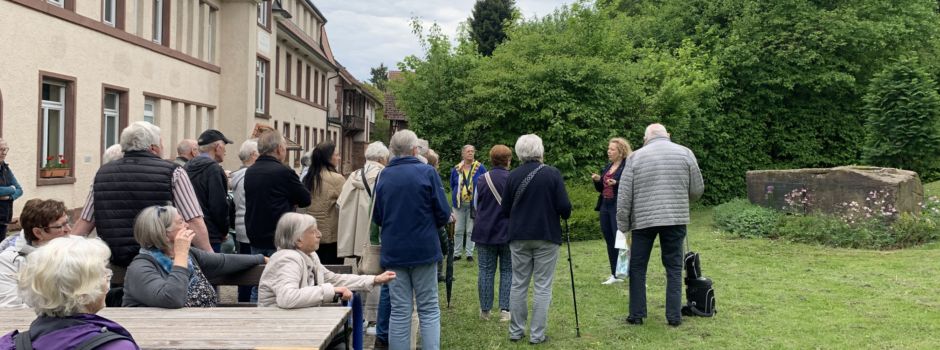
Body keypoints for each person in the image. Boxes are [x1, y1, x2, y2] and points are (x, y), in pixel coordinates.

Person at [72, 121, 213, 267]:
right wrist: (210, 255)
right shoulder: (173, 172)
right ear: (153, 148)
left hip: (115, 261)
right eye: (161, 144)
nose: (163, 148)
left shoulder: (102, 173)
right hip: (160, 263)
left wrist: (65, 249)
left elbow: (87, 220)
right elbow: (193, 220)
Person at [617, 123, 704, 327]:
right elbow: (697, 189)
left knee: (638, 267)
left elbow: (624, 195)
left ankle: (636, 314)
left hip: (643, 221)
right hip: (675, 217)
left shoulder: (635, 157)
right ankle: (674, 317)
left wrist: (622, 224)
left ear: (646, 138)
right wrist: (683, 199)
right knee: (674, 267)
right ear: (668, 135)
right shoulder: (686, 153)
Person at [372, 130, 450, 350]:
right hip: (424, 248)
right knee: (428, 308)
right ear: (415, 150)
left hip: (394, 251)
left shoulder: (384, 175)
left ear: (393, 151)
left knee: (399, 310)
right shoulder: (427, 173)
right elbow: (443, 213)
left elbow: (377, 216)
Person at [0, 235, 139, 349]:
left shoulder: (10, 345)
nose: (107, 282)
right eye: (104, 274)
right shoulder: (116, 346)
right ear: (83, 291)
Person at [500, 134, 571, 345]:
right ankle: (537, 335)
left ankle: (516, 331)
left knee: (518, 284)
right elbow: (565, 208)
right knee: (542, 286)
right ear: (540, 150)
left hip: (519, 235)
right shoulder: (552, 174)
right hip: (546, 236)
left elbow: (504, 210)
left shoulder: (512, 176)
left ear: (519, 152)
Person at [122, 205, 266, 308]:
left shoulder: (190, 255)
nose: (187, 226)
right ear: (164, 234)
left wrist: (261, 258)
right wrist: (181, 254)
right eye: (180, 222)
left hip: (200, 329)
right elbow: (173, 298)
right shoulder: (141, 267)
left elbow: (222, 261)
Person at [258, 212, 395, 308]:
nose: (319, 234)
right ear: (298, 239)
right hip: (278, 326)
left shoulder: (309, 255)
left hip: (295, 322)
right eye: (313, 231)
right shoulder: (287, 260)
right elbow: (287, 298)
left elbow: (334, 279)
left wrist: (374, 279)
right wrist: (332, 291)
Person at [0, 199, 76, 308]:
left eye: (67, 223)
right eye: (60, 226)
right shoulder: (8, 261)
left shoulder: (75, 248)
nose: (68, 230)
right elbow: (9, 307)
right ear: (38, 232)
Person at [470, 145, 513, 322]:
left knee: (486, 271)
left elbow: (475, 205)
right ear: (508, 160)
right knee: (508, 270)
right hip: (508, 231)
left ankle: (485, 311)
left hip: (484, 231)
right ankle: (505, 310)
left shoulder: (481, 179)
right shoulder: (512, 179)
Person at [337, 141, 388, 260]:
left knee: (362, 271)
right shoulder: (383, 175)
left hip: (354, 237)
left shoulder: (354, 175)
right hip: (374, 235)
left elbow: (339, 203)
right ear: (381, 159)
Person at [185, 129, 234, 253]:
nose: (226, 151)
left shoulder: (186, 167)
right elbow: (219, 206)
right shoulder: (213, 169)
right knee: (211, 270)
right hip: (210, 235)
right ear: (217, 147)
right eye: (224, 146)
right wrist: (223, 231)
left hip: (188, 233)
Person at [591, 137, 632, 285]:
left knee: (621, 240)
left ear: (620, 151)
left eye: (612, 149)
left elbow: (629, 186)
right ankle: (615, 274)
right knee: (609, 239)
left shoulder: (627, 166)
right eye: (608, 149)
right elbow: (601, 189)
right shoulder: (608, 167)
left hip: (618, 206)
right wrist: (597, 181)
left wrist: (617, 183)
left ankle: (627, 273)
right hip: (605, 206)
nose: (609, 151)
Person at [301, 141, 345, 265]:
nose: (339, 158)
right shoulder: (336, 179)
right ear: (329, 158)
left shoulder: (308, 177)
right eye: (337, 155)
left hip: (310, 233)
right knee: (332, 274)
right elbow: (345, 205)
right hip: (331, 236)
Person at [231, 138, 259, 302]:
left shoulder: (236, 176)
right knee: (252, 269)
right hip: (250, 227)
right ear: (254, 155)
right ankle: (246, 301)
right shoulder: (249, 175)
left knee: (245, 265)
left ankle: (243, 298)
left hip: (241, 226)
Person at [450, 145, 486, 262]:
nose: (471, 153)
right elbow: (452, 184)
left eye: (472, 151)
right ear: (463, 154)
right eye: (468, 151)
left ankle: (469, 254)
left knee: (470, 230)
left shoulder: (480, 168)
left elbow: (485, 183)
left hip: (473, 204)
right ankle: (457, 253)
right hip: (459, 204)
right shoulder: (456, 169)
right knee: (458, 230)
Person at [0, 139, 23, 237]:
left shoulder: (5, 168)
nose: (4, 153)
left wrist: (9, 197)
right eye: (1, 149)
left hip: (3, 220)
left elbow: (19, 190)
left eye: (5, 149)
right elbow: (14, 189)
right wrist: (11, 189)